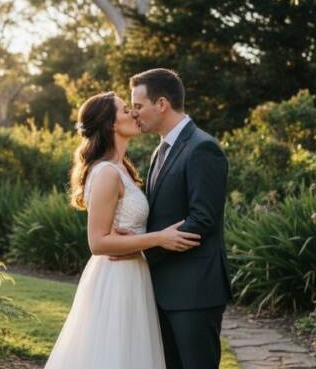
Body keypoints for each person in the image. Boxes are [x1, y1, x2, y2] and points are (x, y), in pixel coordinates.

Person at [44, 91, 202, 369]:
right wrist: (159, 239)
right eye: (125, 110)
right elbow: (98, 242)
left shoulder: (124, 169)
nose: (134, 113)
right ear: (110, 124)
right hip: (115, 278)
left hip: (134, 273)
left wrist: (142, 241)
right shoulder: (106, 172)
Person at [123, 68, 233, 369]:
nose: (134, 113)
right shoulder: (161, 150)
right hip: (163, 289)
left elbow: (203, 219)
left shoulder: (202, 148)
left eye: (139, 105)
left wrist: (145, 246)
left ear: (161, 104)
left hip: (194, 291)